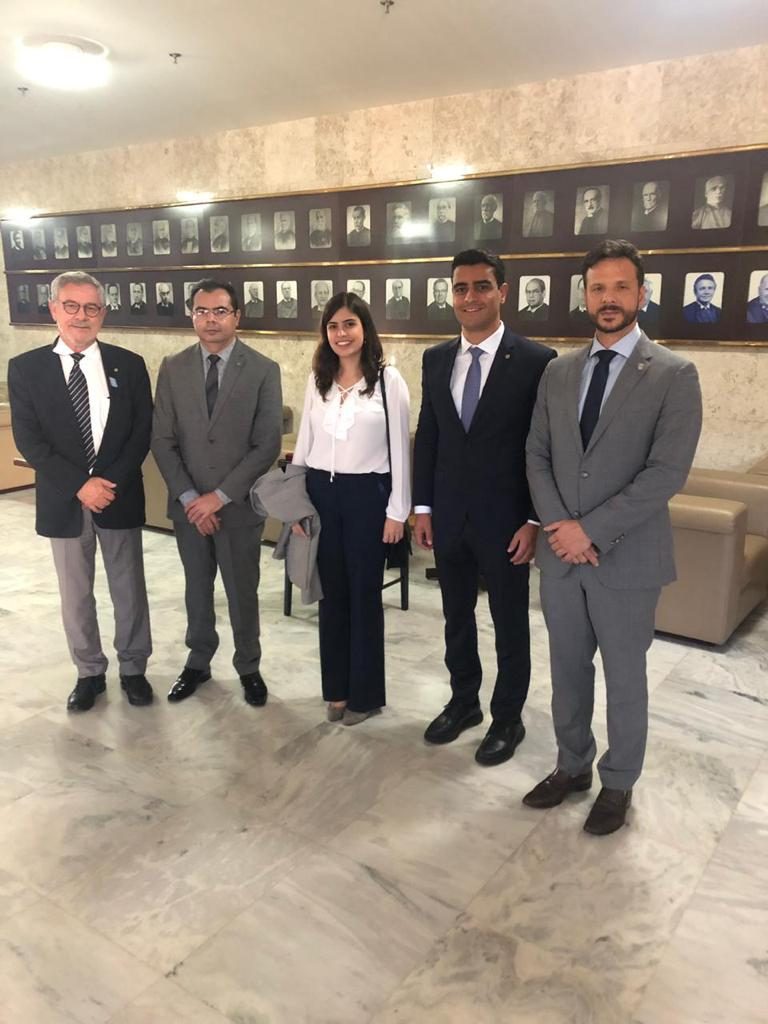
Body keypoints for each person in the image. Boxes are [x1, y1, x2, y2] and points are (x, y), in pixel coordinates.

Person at [525, 239, 702, 835]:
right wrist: (561, 529)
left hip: (626, 559)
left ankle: (619, 781)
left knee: (625, 678)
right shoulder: (558, 371)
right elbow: (537, 455)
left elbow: (666, 473)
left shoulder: (674, 374)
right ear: (584, 296)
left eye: (621, 287)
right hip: (562, 558)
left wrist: (590, 531)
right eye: (598, 288)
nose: (609, 298)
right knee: (568, 671)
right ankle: (571, 765)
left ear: (641, 294)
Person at [413, 249, 556, 765]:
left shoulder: (537, 361)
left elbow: (544, 448)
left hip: (507, 521)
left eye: (481, 286)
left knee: (509, 622)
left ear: (502, 292)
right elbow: (429, 436)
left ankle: (508, 717)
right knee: (456, 616)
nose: (469, 297)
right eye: (460, 288)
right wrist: (422, 508)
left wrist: (534, 519)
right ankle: (464, 702)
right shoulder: (436, 359)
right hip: (449, 516)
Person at [8, 271, 154, 712]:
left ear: (103, 314)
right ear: (54, 309)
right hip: (64, 500)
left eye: (91, 307)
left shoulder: (129, 364)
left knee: (129, 589)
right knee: (75, 594)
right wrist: (80, 485)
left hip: (117, 495)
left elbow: (140, 433)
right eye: (71, 305)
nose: (81, 316)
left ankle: (134, 669)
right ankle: (89, 672)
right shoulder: (26, 368)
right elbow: (30, 441)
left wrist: (106, 484)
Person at [152, 278, 282, 706]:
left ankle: (248, 665)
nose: (211, 320)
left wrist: (219, 497)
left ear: (237, 316)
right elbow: (162, 440)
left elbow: (266, 444)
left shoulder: (263, 370)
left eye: (220, 311)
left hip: (238, 508)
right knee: (196, 589)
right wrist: (192, 498)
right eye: (202, 311)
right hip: (188, 508)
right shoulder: (173, 367)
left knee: (242, 591)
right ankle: (198, 661)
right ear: (192, 316)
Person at [291, 292, 410, 725]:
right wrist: (297, 506)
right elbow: (303, 444)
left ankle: (365, 696)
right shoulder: (318, 379)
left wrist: (398, 511)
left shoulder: (388, 380)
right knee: (331, 596)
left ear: (365, 328)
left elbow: (401, 450)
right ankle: (337, 690)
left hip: (367, 498)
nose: (341, 334)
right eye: (333, 326)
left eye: (349, 324)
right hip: (321, 494)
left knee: (364, 596)